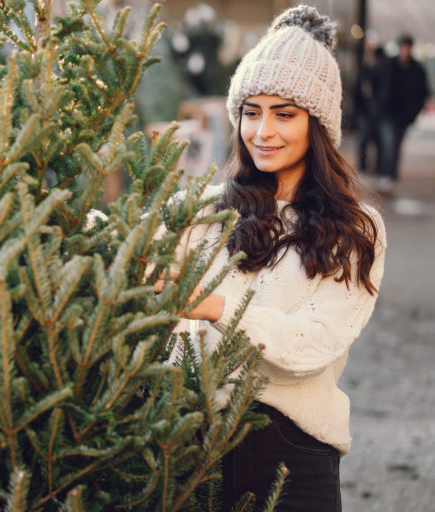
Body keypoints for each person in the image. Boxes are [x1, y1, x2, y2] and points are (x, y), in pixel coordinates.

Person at [159, 5, 387, 511]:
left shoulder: (355, 229)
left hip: (294, 457)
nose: (263, 131)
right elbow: (119, 250)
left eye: (284, 114)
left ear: (319, 125)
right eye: (250, 111)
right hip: (189, 444)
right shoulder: (198, 209)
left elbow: (313, 345)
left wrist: (214, 306)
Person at [375, 34, 430, 194]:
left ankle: (390, 176)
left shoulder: (417, 69)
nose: (404, 50)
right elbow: (376, 81)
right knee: (387, 144)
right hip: (387, 113)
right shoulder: (388, 65)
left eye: (407, 47)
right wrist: (377, 104)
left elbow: (423, 92)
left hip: (404, 116)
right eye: (402, 47)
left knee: (396, 145)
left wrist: (414, 111)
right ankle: (385, 175)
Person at [354, 45, 385, 177]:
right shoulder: (367, 71)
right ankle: (364, 168)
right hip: (365, 112)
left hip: (375, 113)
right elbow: (358, 91)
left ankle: (373, 169)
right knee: (365, 140)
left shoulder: (382, 72)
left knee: (376, 141)